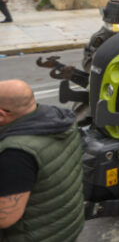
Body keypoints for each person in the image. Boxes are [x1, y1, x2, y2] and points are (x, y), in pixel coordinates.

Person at [0, 79, 84, 241]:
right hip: (63, 227)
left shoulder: (16, 153)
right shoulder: (58, 121)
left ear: (2, 114)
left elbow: (6, 217)